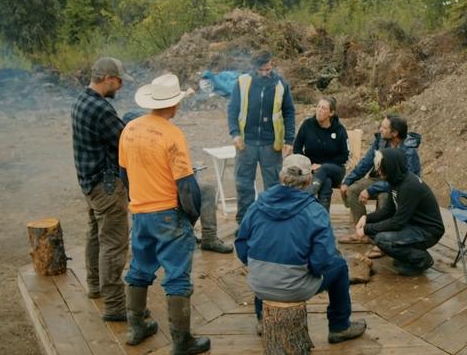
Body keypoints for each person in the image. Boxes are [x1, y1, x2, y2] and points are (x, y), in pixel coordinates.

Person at [118, 74, 211, 355]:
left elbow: (125, 174)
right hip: (168, 214)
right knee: (177, 278)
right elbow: (186, 186)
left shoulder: (130, 129)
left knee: (139, 269)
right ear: (176, 104)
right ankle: (181, 342)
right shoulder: (172, 135)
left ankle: (136, 328)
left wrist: (139, 199)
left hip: (140, 212)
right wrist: (191, 217)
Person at [235, 154, 367, 344]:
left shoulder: (257, 206)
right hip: (296, 288)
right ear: (309, 180)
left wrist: (257, 264)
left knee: (266, 264)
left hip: (259, 284)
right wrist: (309, 270)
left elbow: (241, 244)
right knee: (339, 267)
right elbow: (321, 261)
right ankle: (340, 327)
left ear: (281, 178)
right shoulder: (316, 212)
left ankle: (263, 319)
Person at [71, 57, 134, 322]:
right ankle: (115, 306)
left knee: (96, 236)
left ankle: (95, 286)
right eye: (119, 82)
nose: (120, 87)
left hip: (89, 183)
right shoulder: (101, 110)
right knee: (114, 244)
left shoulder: (81, 101)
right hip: (106, 186)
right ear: (108, 79)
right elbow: (126, 141)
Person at [122, 110, 233, 254]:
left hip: (146, 195)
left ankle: (207, 236)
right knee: (194, 193)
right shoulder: (145, 139)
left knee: (205, 188)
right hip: (158, 196)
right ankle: (193, 232)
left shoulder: (129, 139)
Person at [226, 49, 296, 229]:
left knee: (273, 186)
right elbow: (233, 109)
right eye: (262, 70)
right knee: (244, 185)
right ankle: (245, 224)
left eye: (268, 69)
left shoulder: (281, 85)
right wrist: (234, 133)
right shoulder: (242, 83)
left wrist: (289, 140)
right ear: (254, 67)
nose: (265, 73)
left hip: (270, 144)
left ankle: (271, 224)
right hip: (246, 143)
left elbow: (289, 112)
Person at [338, 114, 422, 258]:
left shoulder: (409, 150)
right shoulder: (381, 141)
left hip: (397, 184)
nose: (380, 129)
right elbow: (365, 163)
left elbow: (402, 179)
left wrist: (371, 190)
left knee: (385, 197)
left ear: (394, 133)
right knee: (353, 190)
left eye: (384, 127)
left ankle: (380, 239)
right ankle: (362, 233)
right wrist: (348, 181)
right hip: (379, 178)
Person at [355, 148, 444, 276]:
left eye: (381, 168)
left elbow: (397, 223)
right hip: (414, 225)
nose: (378, 172)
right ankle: (408, 255)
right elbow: (388, 210)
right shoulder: (396, 181)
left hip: (429, 231)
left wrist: (366, 229)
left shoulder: (409, 186)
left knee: (382, 239)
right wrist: (366, 218)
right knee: (379, 233)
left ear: (390, 167)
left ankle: (422, 260)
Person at [293, 97, 350, 211]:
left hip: (335, 168)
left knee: (325, 169)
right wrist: (309, 165)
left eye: (323, 108)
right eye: (318, 107)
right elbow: (297, 148)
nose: (319, 110)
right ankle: (323, 218)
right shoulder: (307, 125)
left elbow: (344, 156)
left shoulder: (339, 130)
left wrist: (322, 165)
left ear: (331, 112)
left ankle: (303, 201)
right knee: (326, 182)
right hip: (311, 169)